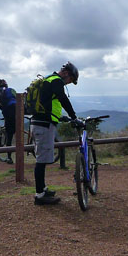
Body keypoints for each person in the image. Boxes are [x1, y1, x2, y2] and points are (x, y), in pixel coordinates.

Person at [30, 62, 78, 205]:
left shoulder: (48, 79)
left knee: (42, 159)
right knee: (41, 161)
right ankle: (40, 196)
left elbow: (49, 103)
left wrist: (61, 117)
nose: (68, 83)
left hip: (40, 123)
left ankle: (43, 189)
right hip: (44, 125)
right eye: (70, 80)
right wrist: (74, 117)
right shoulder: (56, 81)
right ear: (66, 73)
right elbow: (63, 99)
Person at [0, 79, 17, 163]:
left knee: (9, 135)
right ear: (6, 85)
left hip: (7, 113)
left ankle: (9, 158)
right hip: (18, 109)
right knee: (19, 128)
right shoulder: (11, 90)